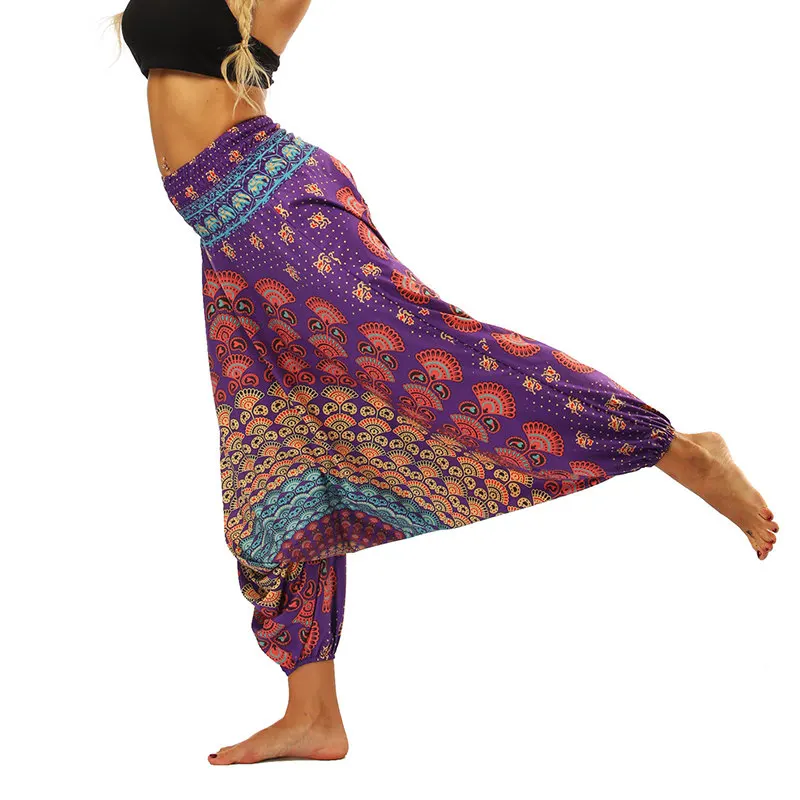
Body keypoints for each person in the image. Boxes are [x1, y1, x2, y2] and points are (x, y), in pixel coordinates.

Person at [112, 0, 779, 766]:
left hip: (280, 214)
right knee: (283, 453)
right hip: (228, 243)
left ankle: (674, 448)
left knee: (440, 360)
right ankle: (313, 713)